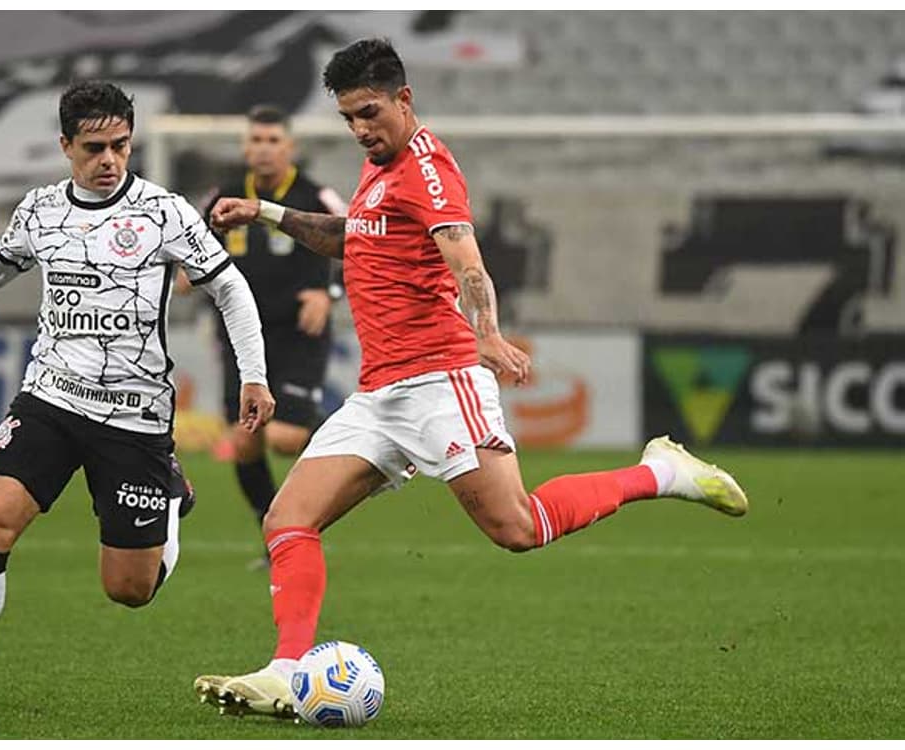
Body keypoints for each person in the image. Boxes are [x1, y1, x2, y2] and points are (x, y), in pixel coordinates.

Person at [193, 38, 750, 719]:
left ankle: (659, 473)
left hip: (440, 381)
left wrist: (486, 330)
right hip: (378, 395)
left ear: (405, 99)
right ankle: (285, 669)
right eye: (347, 118)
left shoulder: (427, 168)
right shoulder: (378, 166)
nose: (361, 128)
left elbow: (468, 263)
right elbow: (353, 237)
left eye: (370, 112)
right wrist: (267, 212)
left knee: (518, 527)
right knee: (288, 519)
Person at [0, 81, 276, 720]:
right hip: (50, 395)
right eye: (95, 148)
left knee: (128, 591)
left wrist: (254, 375)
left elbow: (230, 289)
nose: (110, 160)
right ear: (65, 146)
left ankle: (170, 503)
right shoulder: (40, 210)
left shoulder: (164, 212)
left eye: (121, 146)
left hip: (134, 415)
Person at [201, 105, 347, 563]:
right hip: (242, 337)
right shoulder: (223, 196)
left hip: (298, 334)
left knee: (284, 436)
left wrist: (330, 292)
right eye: (257, 141)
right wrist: (186, 277)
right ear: (246, 147)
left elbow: (361, 246)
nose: (264, 149)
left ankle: (354, 445)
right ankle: (277, 532)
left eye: (273, 141)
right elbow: (196, 249)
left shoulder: (315, 196)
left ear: (290, 147)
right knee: (244, 440)